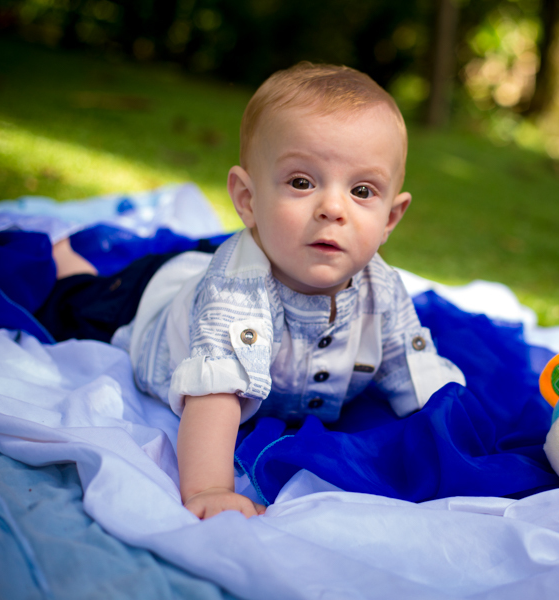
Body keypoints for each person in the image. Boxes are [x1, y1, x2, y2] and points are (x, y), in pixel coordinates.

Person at [47, 63, 466, 520]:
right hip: (148, 305)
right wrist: (209, 488)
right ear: (247, 200)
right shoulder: (238, 292)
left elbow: (418, 373)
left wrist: (457, 442)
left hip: (214, 272)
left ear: (390, 218)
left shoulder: (381, 289)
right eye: (302, 183)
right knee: (76, 304)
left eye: (362, 190)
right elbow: (216, 398)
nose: (332, 208)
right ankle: (68, 262)